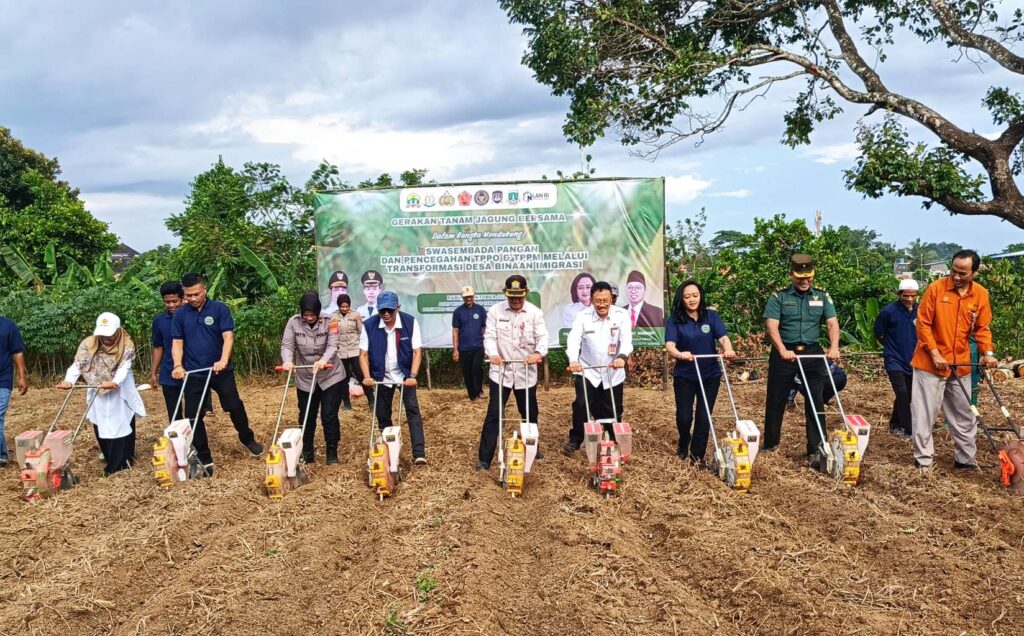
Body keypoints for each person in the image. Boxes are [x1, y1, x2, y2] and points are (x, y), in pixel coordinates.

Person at [911, 249, 997, 470]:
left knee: (964, 414)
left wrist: (987, 353)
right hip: (930, 365)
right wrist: (934, 352)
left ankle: (965, 459)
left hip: (961, 365)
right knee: (925, 414)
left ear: (974, 272)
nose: (956, 277)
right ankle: (924, 461)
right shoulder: (936, 289)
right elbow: (923, 324)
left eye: (962, 273)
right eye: (954, 271)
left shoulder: (979, 294)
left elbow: (982, 328)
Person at [171, 272, 263, 476]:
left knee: (234, 405)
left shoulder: (220, 309)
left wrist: (223, 360)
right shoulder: (180, 314)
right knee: (193, 416)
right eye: (188, 295)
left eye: (196, 294)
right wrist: (178, 365)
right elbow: (177, 342)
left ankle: (247, 438)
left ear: (204, 289)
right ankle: (205, 458)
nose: (192, 299)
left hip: (219, 371)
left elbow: (228, 336)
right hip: (195, 373)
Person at [762, 254, 840, 467]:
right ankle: (770, 444)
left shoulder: (822, 297)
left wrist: (833, 347)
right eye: (800, 278)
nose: (805, 282)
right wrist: (782, 350)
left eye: (808, 278)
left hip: (812, 353)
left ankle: (816, 449)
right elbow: (772, 326)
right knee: (776, 399)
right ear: (791, 276)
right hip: (785, 353)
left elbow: (832, 323)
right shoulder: (779, 297)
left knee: (815, 399)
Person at [58, 313, 146, 475]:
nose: (106, 338)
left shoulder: (126, 344)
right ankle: (109, 456)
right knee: (100, 421)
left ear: (117, 331)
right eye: (102, 335)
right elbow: (78, 364)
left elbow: (124, 367)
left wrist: (115, 382)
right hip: (97, 387)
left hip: (119, 389)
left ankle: (119, 465)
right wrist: (68, 381)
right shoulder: (88, 344)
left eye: (109, 335)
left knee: (120, 424)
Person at [476, 275, 548, 470]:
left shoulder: (535, 313)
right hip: (501, 372)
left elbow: (543, 338)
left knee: (529, 413)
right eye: (512, 297)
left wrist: (537, 353)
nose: (515, 300)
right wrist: (493, 354)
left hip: (526, 372)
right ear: (505, 294)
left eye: (519, 297)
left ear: (525, 294)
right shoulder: (494, 311)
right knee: (494, 413)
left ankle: (533, 447)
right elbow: (489, 337)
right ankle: (484, 458)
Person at [664, 281, 737, 463]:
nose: (691, 299)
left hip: (709, 374)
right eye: (687, 296)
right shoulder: (674, 320)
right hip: (685, 375)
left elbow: (723, 337)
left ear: (700, 296)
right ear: (681, 299)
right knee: (684, 417)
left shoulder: (711, 316)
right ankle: (683, 440)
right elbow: (670, 345)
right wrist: (679, 354)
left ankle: (697, 456)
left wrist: (728, 349)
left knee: (704, 416)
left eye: (695, 295)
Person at [358, 291, 427, 464]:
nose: (386, 314)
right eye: (382, 311)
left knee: (412, 411)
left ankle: (419, 453)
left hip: (405, 375)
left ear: (398, 308)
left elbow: (417, 352)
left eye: (390, 310)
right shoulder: (369, 325)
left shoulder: (410, 322)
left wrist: (412, 375)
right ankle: (388, 451)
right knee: (382, 413)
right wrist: (367, 377)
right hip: (383, 375)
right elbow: (363, 355)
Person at [564, 281, 632, 453]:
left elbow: (626, 341)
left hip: (613, 369)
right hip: (588, 369)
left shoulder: (621, 315)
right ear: (592, 301)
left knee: (613, 407)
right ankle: (576, 438)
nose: (602, 304)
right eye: (598, 301)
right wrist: (573, 360)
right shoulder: (583, 316)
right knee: (581, 404)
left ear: (611, 299)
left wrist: (622, 357)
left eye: (605, 300)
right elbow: (573, 339)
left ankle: (612, 437)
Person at [281, 292, 347, 464]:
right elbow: (287, 345)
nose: (309, 318)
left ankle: (332, 452)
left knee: (329, 415)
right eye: (306, 315)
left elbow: (333, 345)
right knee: (306, 416)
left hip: (330, 375)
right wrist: (287, 361)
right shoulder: (293, 322)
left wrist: (323, 361)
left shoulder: (331, 321)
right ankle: (307, 452)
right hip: (306, 377)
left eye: (312, 315)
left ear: (318, 312)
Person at [874, 278, 919, 440]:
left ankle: (894, 422)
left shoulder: (920, 311)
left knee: (909, 394)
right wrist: (890, 347)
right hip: (894, 359)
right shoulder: (888, 312)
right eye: (906, 296)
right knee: (902, 393)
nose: (909, 299)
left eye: (913, 296)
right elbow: (878, 333)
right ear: (899, 294)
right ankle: (908, 429)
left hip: (913, 360)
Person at [150, 281, 186, 421]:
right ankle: (178, 442)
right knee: (174, 412)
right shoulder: (159, 321)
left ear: (182, 298)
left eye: (175, 301)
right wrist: (154, 372)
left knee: (194, 412)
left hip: (191, 370)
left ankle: (196, 441)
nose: (171, 305)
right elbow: (158, 347)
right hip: (169, 371)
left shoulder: (192, 316)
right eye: (167, 302)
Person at [333, 293, 369, 410]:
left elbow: (361, 332)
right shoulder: (333, 316)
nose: (344, 308)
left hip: (354, 350)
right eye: (342, 306)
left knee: (361, 374)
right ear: (338, 306)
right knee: (343, 378)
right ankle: (347, 403)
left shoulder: (356, 315)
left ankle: (371, 400)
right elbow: (332, 334)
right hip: (340, 352)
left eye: (346, 306)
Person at [0, 316, 27, 467]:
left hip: (2, 379)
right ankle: (2, 454)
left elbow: (17, 352)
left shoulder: (8, 326)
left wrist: (22, 377)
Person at [452, 286, 486, 401]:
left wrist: (486, 346)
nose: (468, 298)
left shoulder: (480, 310)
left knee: (476, 369)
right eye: (466, 297)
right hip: (464, 348)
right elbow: (455, 331)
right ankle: (472, 396)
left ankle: (478, 391)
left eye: (470, 296)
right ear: (462, 297)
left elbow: (484, 328)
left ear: (473, 296)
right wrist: (455, 350)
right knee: (467, 372)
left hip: (478, 346)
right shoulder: (458, 312)